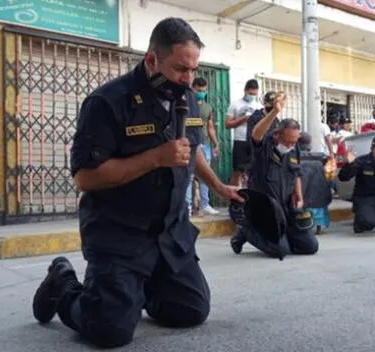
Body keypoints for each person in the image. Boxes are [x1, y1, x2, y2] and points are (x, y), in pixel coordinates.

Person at [31, 18, 243, 349]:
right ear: (151, 59)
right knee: (110, 332)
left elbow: (191, 150)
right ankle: (65, 286)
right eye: (179, 69)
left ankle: (128, 292)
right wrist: (155, 158)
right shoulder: (107, 102)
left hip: (170, 233)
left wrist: (218, 186)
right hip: (120, 233)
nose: (188, 79)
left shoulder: (185, 97)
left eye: (192, 69)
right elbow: (85, 177)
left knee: (190, 311)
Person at [229, 95, 319, 258]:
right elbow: (256, 133)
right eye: (287, 142)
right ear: (277, 135)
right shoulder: (264, 147)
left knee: (310, 246)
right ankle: (246, 229)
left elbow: (296, 172)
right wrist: (275, 111)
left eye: (294, 142)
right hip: (265, 209)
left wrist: (299, 194)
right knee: (280, 250)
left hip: (285, 206)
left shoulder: (294, 148)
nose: (291, 146)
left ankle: (282, 237)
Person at [185, 77, 220, 216]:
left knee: (205, 176)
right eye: (199, 90)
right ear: (192, 88)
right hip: (189, 143)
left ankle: (205, 204)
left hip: (205, 144)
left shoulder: (207, 107)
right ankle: (187, 206)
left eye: (204, 90)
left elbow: (210, 126)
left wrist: (216, 143)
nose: (201, 93)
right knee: (188, 176)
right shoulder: (185, 103)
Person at [225, 79, 263, 187]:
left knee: (254, 170)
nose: (252, 96)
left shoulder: (258, 106)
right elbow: (227, 124)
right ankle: (234, 197)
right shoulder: (235, 104)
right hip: (240, 141)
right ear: (245, 91)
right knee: (238, 171)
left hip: (253, 141)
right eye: (250, 93)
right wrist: (243, 119)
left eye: (254, 94)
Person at [298, 132, 333, 234]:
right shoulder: (321, 158)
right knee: (320, 207)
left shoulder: (294, 157)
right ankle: (318, 228)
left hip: (304, 195)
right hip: (320, 194)